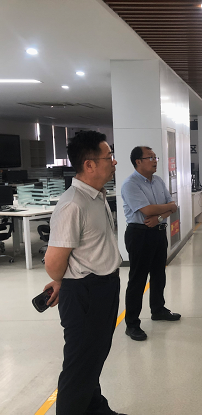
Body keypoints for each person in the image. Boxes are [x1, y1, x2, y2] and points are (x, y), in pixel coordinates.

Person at [43, 131, 126, 415]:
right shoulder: (72, 204)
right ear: (89, 165)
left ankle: (94, 408)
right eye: (108, 157)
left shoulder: (96, 195)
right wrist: (62, 280)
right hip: (85, 294)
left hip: (103, 287)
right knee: (79, 366)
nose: (114, 162)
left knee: (94, 358)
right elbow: (53, 264)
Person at [121, 146, 180, 342]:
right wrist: (165, 209)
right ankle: (132, 324)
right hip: (139, 234)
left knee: (158, 274)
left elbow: (173, 205)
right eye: (150, 157)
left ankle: (158, 309)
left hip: (158, 231)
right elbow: (147, 210)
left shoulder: (158, 181)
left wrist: (160, 216)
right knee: (138, 279)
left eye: (155, 157)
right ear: (138, 161)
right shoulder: (130, 184)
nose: (155, 161)